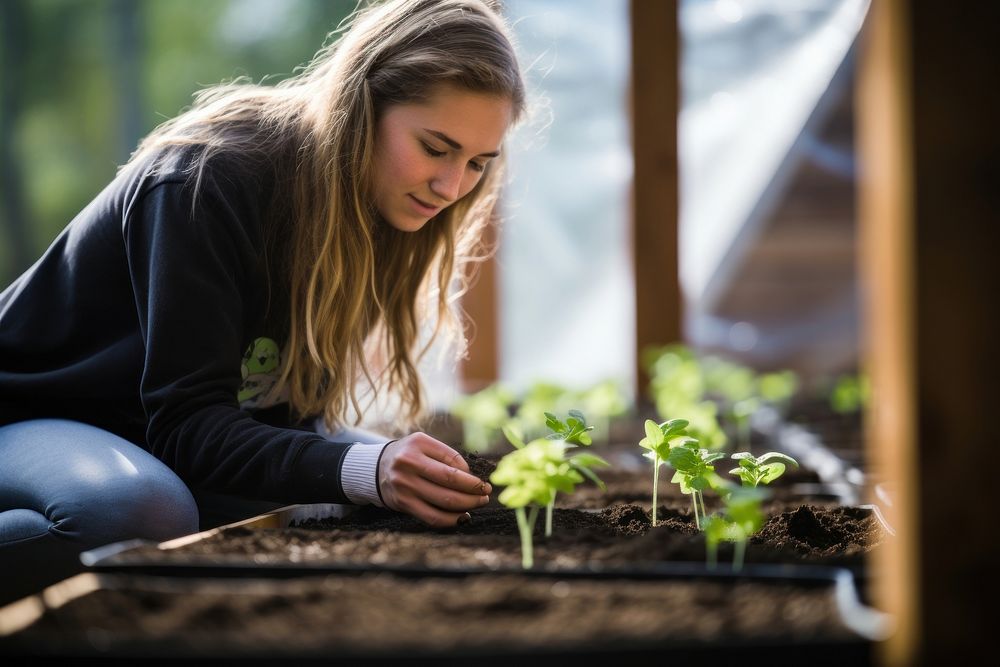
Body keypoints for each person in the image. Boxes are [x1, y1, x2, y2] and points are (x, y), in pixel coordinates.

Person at [0, 0, 525, 601]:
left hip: (145, 438)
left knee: (390, 487)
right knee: (139, 511)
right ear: (362, 106)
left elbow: (279, 414)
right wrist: (362, 471)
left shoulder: (385, 204)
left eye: (478, 163)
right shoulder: (207, 178)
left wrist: (382, 470)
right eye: (436, 147)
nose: (452, 186)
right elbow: (188, 425)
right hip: (30, 417)